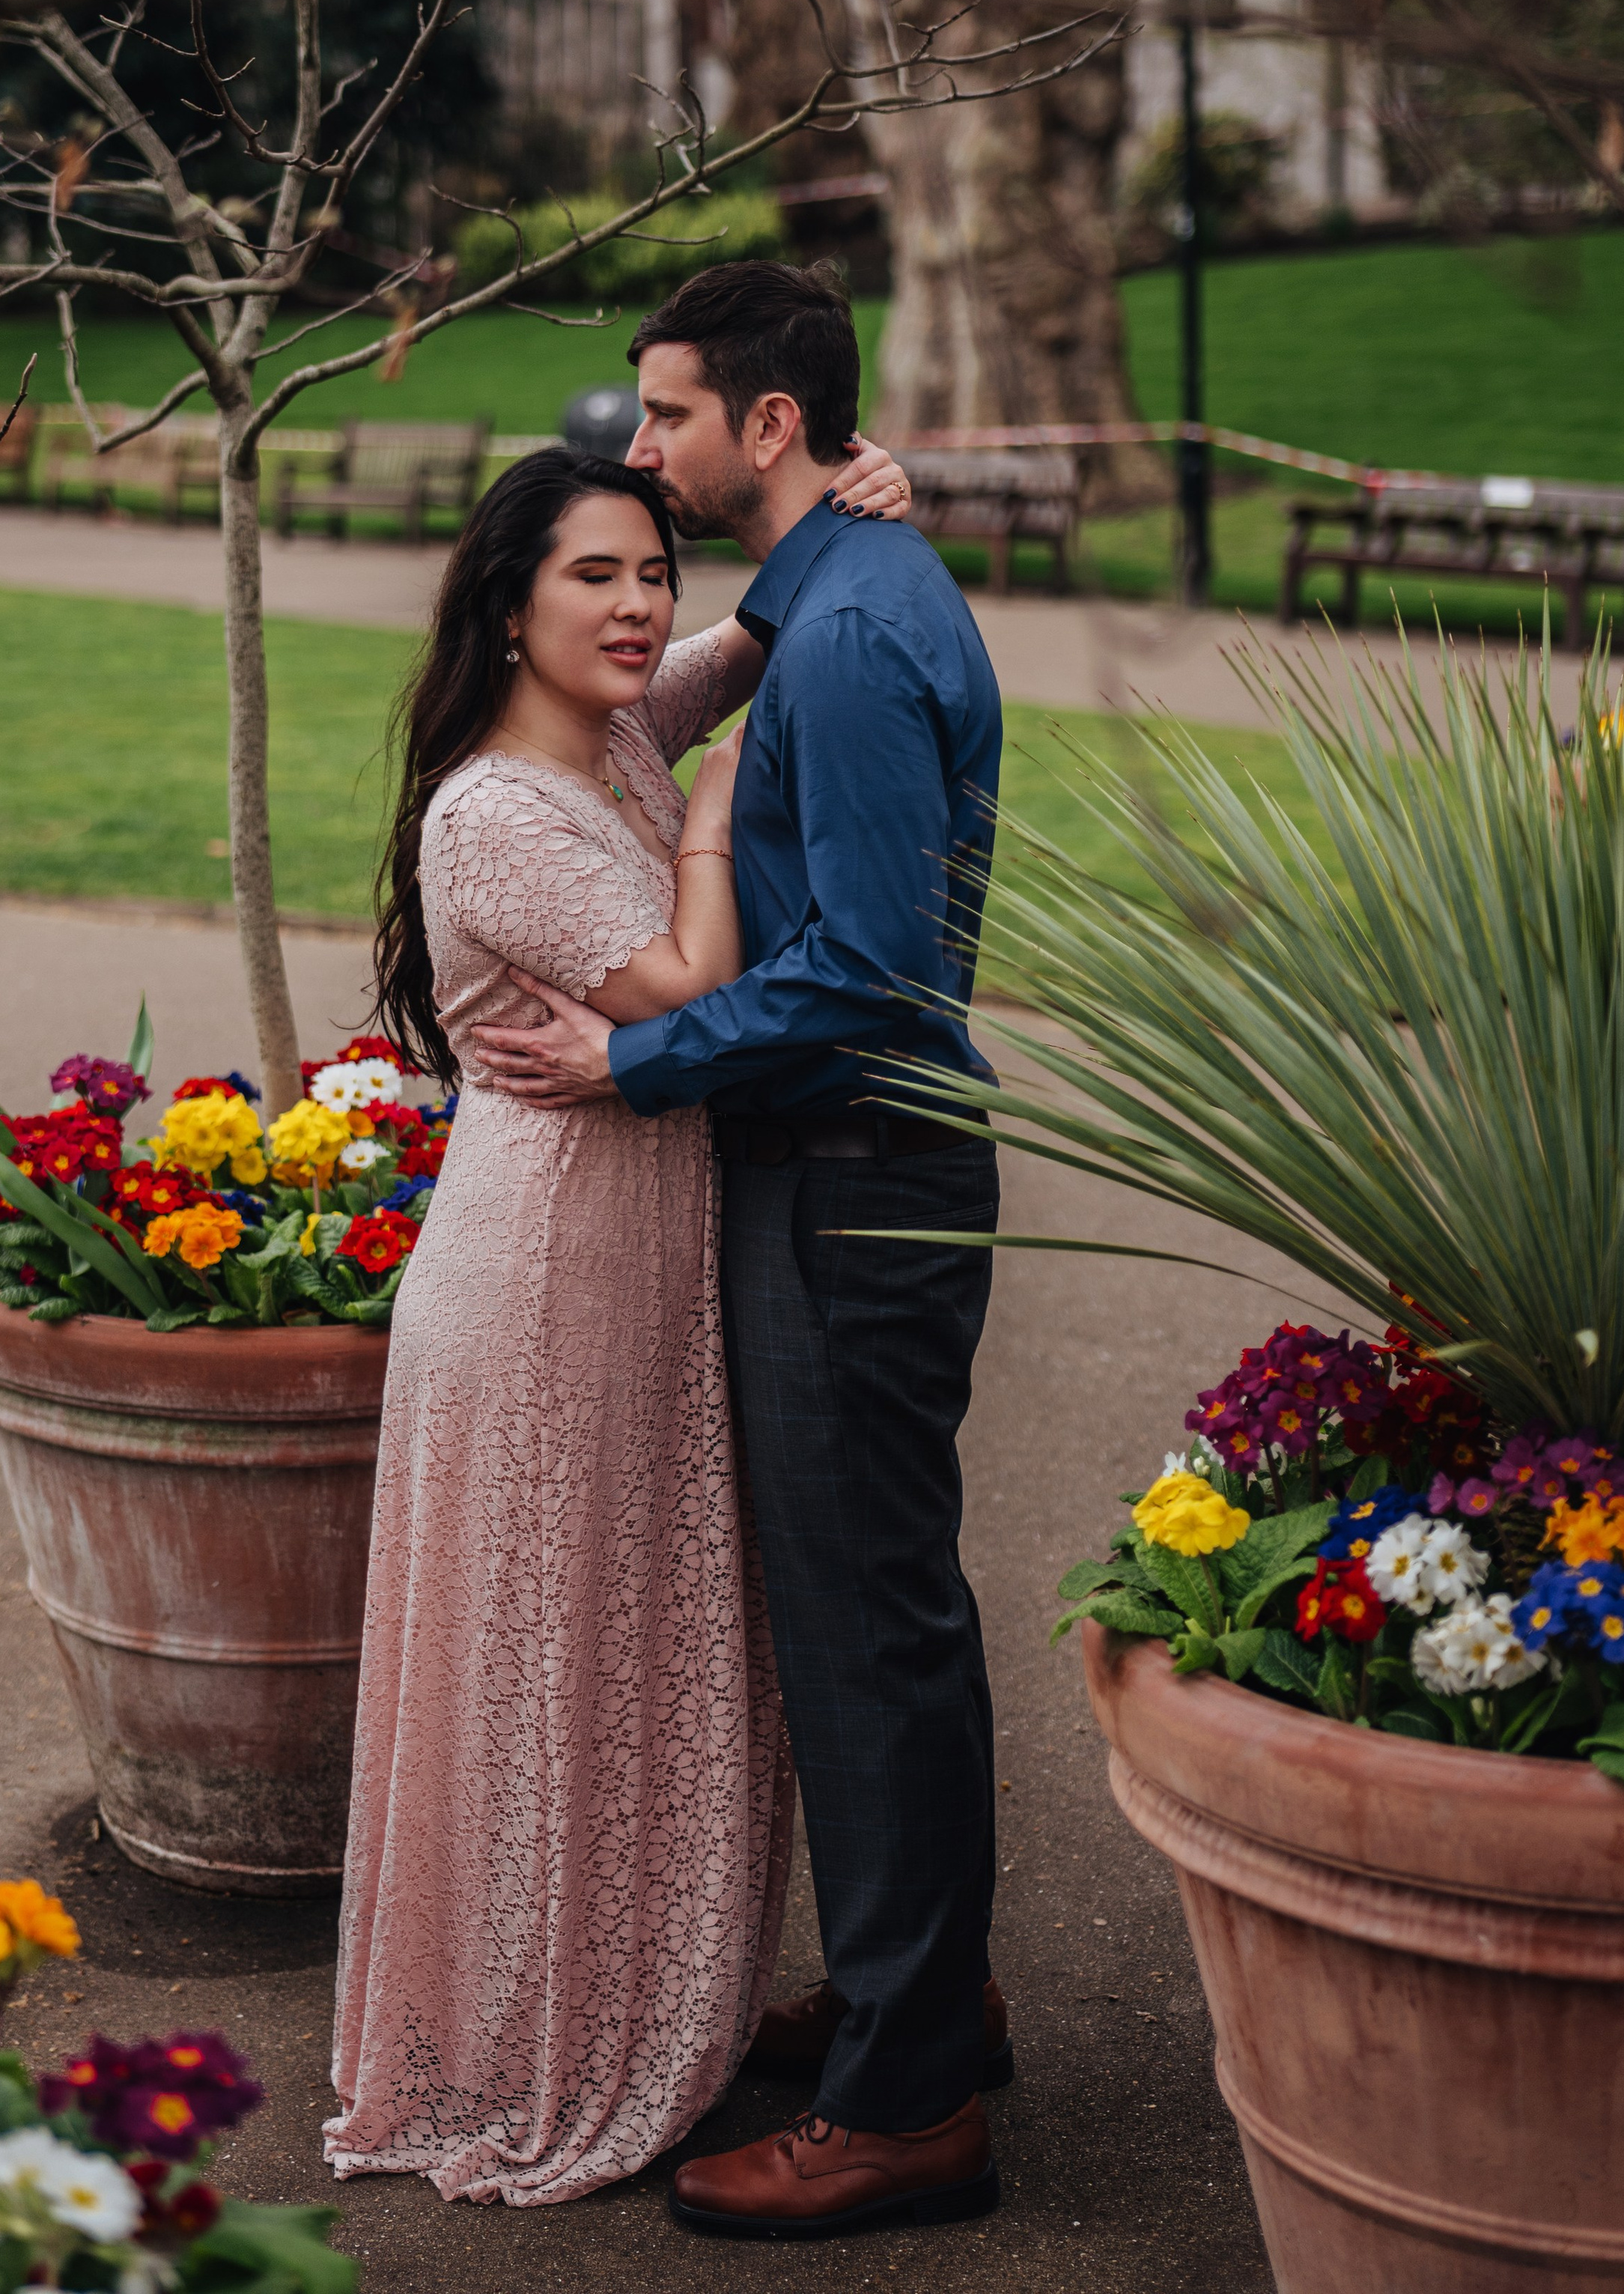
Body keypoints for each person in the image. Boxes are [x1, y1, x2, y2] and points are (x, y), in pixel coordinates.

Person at [474, 259, 1009, 2242]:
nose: (649, 446)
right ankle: (925, 2002)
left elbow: (864, 977)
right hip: (841, 1164)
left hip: (853, 1166)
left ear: (768, 425)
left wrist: (637, 1057)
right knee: (886, 1615)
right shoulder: (834, 596)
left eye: (675, 414)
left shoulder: (856, 642)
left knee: (866, 1629)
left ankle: (905, 2109)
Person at [326, 426, 911, 2207]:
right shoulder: (501, 806)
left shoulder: (604, 735)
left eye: (650, 569)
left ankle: (621, 1990)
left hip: (630, 1264)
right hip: (541, 1288)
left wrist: (822, 532)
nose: (640, 606)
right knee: (548, 1658)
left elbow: (719, 655)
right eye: (596, 574)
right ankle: (531, 2041)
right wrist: (725, 818)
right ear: (507, 608)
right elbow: (685, 988)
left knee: (613, 1645)